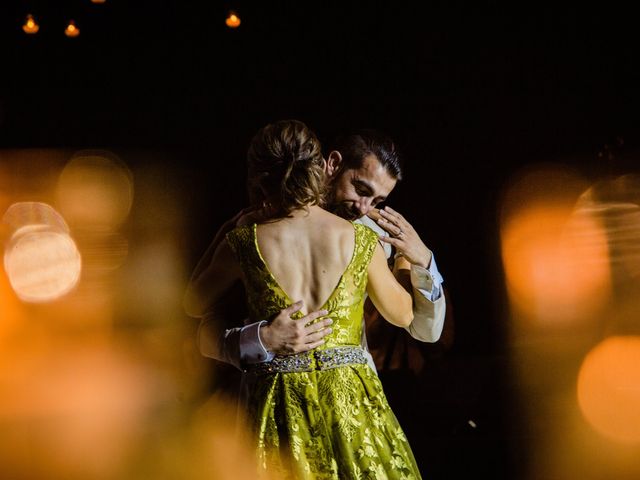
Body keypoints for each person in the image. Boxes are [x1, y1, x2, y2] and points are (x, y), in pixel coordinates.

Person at [196, 119, 423, 478]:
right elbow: (405, 314)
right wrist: (408, 259)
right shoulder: (359, 240)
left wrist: (233, 233)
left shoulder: (243, 242)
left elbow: (189, 305)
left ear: (258, 177)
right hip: (351, 405)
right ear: (322, 167)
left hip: (280, 405)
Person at [184, 127, 446, 382]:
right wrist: (261, 339)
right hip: (269, 392)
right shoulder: (252, 230)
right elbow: (201, 326)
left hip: (349, 398)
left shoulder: (374, 237)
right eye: (361, 190)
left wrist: (423, 260)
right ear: (332, 164)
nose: (363, 208)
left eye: (377, 201)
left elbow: (424, 330)